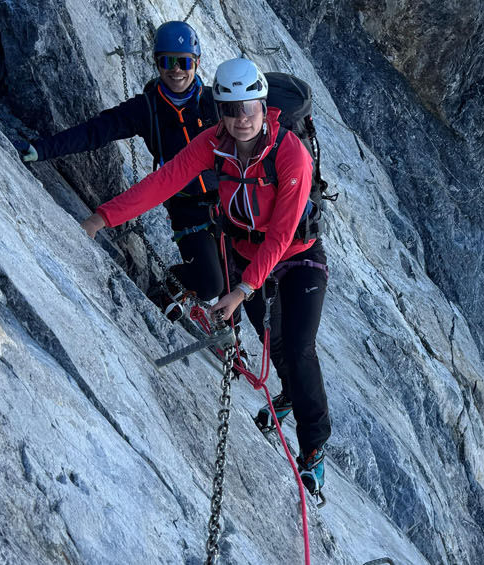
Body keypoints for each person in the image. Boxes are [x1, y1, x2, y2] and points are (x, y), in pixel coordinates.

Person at [80, 58, 331, 496]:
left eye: (248, 108)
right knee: (272, 339)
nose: (240, 120)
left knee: (301, 344)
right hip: (243, 253)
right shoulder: (213, 143)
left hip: (297, 256)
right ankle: (287, 393)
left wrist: (241, 289)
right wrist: (103, 218)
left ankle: (313, 448)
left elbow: (281, 234)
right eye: (230, 110)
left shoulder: (292, 154)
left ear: (262, 104)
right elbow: (164, 181)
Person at [12, 21, 225, 317]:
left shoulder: (217, 104)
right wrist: (43, 149)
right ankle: (169, 289)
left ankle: (231, 332)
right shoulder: (147, 109)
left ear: (197, 63)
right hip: (185, 207)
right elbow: (96, 131)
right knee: (211, 283)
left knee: (238, 274)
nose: (176, 69)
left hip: (227, 201)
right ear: (156, 63)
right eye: (167, 61)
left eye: (183, 61)